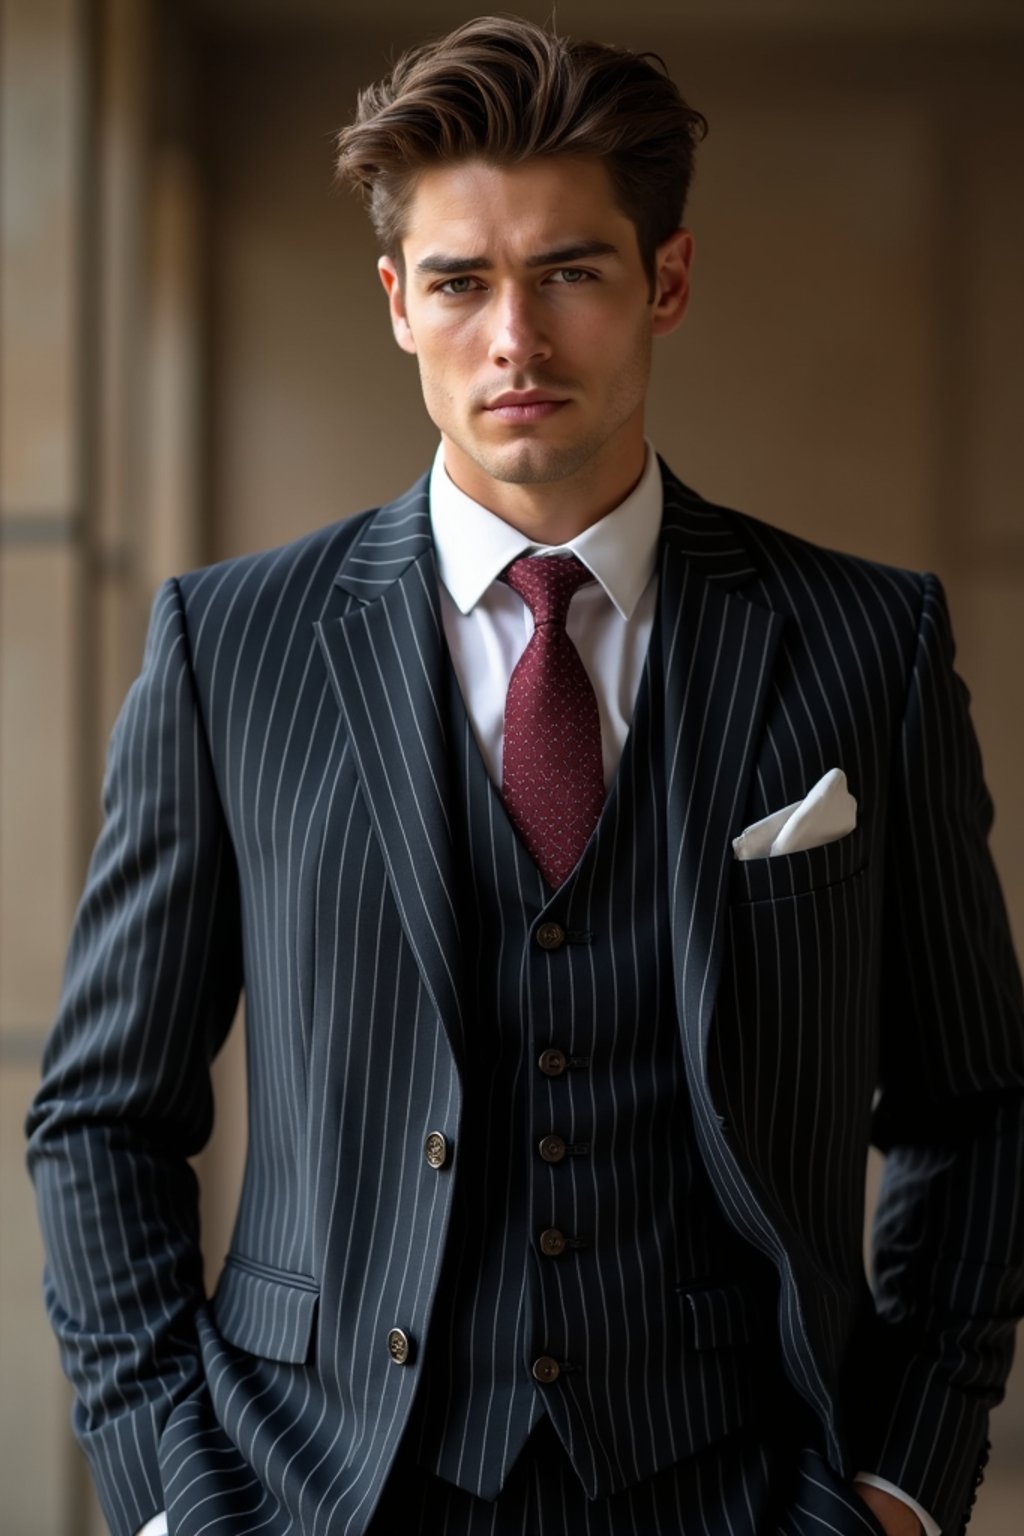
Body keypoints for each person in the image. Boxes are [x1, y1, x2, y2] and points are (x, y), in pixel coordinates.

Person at [27, 15, 1024, 1536]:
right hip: (321, 1491)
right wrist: (177, 1497)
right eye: (461, 282)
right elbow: (103, 1115)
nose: (516, 338)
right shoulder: (231, 646)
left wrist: (898, 1482)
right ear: (397, 304)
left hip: (745, 1491)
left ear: (664, 283)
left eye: (568, 272)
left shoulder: (862, 642)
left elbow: (976, 1103)